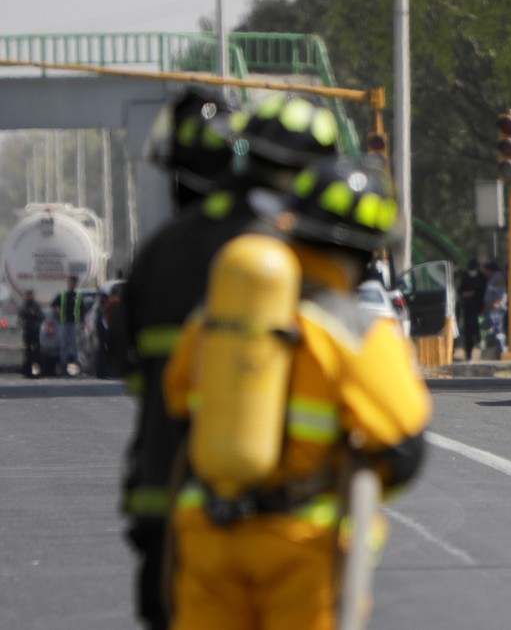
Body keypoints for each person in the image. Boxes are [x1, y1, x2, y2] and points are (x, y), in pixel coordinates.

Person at [163, 156, 431, 630]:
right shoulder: (355, 330)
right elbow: (402, 448)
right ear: (368, 251)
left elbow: (177, 399)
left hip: (209, 536)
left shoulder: (220, 313)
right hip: (299, 546)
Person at [115, 89, 339, 630]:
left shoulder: (158, 252)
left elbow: (136, 377)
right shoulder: (291, 257)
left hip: (166, 505)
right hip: (280, 523)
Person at [52, 275, 85, 375]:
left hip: (74, 323)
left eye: (73, 283)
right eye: (69, 282)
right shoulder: (62, 295)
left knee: (75, 345)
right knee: (64, 346)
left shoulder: (78, 296)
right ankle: (63, 366)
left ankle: (78, 366)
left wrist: (83, 322)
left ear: (75, 284)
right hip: (64, 323)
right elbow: (54, 305)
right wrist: (59, 311)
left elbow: (82, 309)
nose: (71, 284)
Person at [458, 260, 487, 360]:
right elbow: (461, 289)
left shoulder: (481, 278)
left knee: (477, 326)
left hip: (478, 307)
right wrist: (464, 294)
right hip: (467, 307)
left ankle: (479, 341)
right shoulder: (465, 276)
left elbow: (483, 292)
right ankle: (468, 353)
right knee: (468, 331)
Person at [481, 261, 508, 358]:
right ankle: (495, 352)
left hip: (496, 307)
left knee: (497, 329)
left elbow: (500, 291)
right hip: (491, 307)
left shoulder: (498, 277)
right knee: (493, 330)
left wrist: (497, 302)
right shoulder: (492, 278)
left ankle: (501, 351)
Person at [18, 289, 44, 378]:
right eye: (27, 295)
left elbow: (41, 317)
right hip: (27, 331)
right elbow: (20, 316)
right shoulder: (24, 306)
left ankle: (37, 370)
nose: (29, 297)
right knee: (27, 352)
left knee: (36, 351)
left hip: (35, 330)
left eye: (30, 295)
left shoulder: (36, 305)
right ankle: (27, 371)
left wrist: (34, 314)